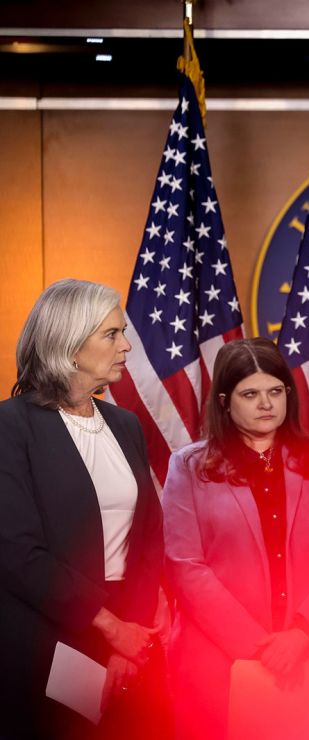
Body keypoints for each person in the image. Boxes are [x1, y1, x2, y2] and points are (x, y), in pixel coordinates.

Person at [162, 338, 309, 739]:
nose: (266, 404)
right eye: (250, 394)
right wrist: (258, 647)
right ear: (224, 401)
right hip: (217, 664)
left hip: (308, 656)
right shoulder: (189, 467)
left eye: (275, 391)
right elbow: (185, 568)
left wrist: (301, 634)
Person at [0, 279, 166, 739]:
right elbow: (16, 552)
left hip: (130, 633)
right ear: (70, 346)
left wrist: (128, 638)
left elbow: (150, 535)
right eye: (111, 334)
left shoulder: (126, 424)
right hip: (44, 637)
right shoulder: (11, 426)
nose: (126, 345)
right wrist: (109, 628)